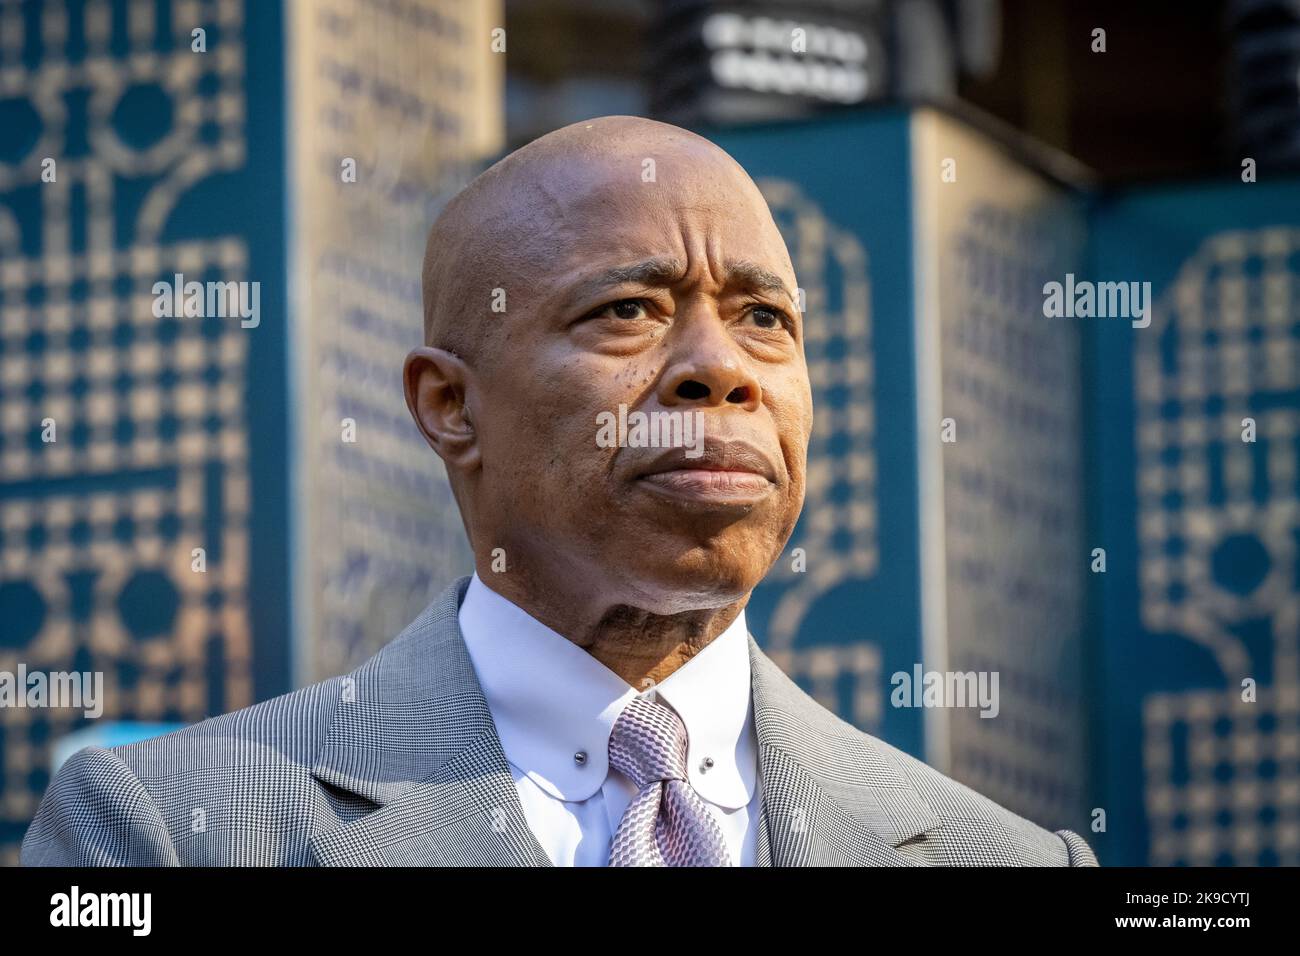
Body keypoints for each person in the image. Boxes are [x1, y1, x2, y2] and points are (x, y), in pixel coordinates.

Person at [22, 116, 1097, 867]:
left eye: (765, 319)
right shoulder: (167, 831)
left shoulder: (1005, 858)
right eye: (628, 308)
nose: (719, 367)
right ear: (450, 404)